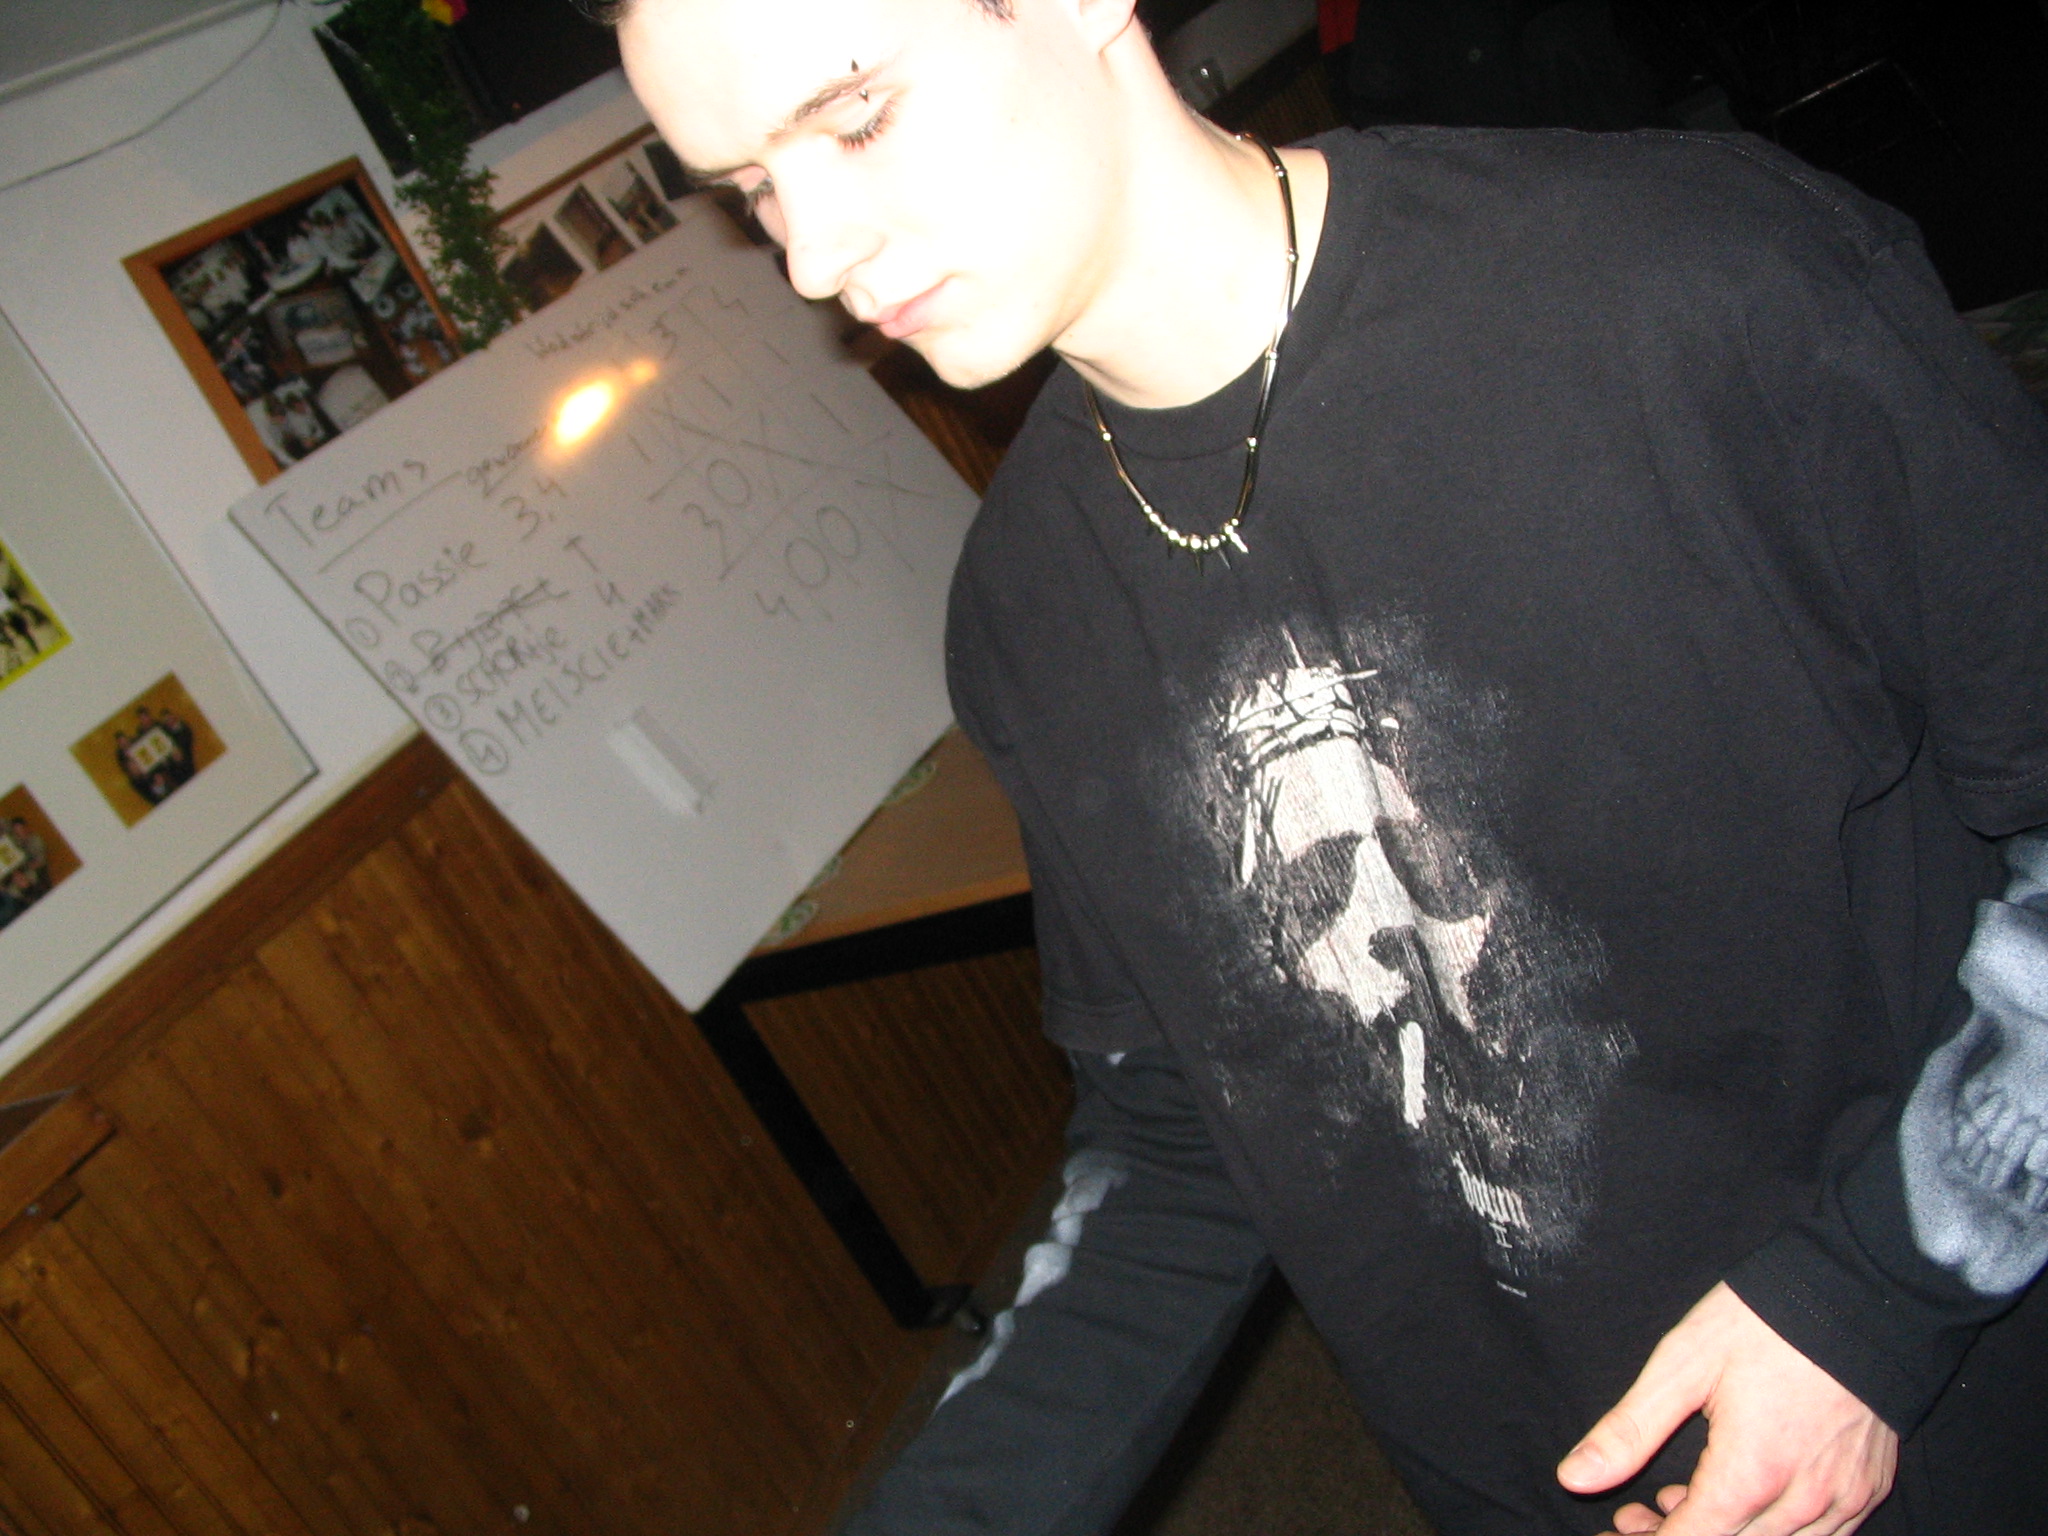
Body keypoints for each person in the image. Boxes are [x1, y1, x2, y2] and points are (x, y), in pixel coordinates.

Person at [609, 1, 2048, 1532]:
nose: (814, 258)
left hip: (1954, 1392)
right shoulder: (1022, 611)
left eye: (855, 117)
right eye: (752, 189)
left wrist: (1875, 1300)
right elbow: (1186, 1132)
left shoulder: (1703, 286)